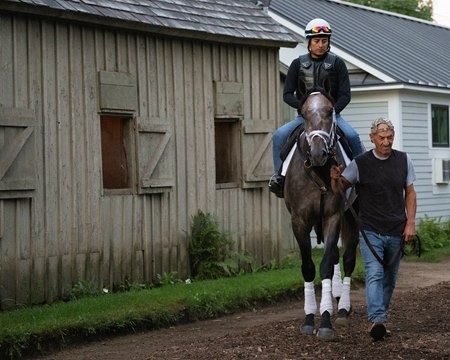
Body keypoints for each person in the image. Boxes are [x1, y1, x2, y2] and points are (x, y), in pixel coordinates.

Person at [330, 118, 417, 341]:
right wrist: (334, 179)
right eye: (381, 138)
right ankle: (377, 319)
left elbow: (410, 193)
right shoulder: (360, 163)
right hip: (370, 231)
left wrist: (410, 223)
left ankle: (380, 318)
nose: (386, 142)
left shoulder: (404, 160)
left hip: (396, 229)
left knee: (390, 279)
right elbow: (340, 189)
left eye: (389, 137)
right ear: (372, 139)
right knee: (375, 273)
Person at [269, 18, 364, 198]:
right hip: (304, 118)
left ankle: (362, 175)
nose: (320, 44)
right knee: (279, 135)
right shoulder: (297, 64)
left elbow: (345, 95)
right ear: (309, 42)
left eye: (324, 40)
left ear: (328, 42)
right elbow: (287, 94)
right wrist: (306, 111)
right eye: (316, 41)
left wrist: (331, 111)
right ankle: (278, 177)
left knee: (352, 136)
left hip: (331, 117)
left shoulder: (337, 63)